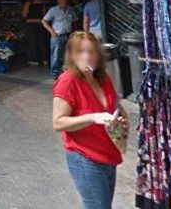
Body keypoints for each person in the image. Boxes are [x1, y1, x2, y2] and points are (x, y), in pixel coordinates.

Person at [52, 31, 127, 209]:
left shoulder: (102, 78)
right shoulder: (68, 81)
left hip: (108, 153)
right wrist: (93, 117)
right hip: (85, 158)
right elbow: (58, 122)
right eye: (80, 51)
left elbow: (114, 104)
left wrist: (121, 116)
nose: (87, 56)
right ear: (71, 54)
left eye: (91, 51)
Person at [42, 0, 77, 79]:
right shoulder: (53, 10)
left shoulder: (71, 9)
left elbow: (75, 21)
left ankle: (67, 72)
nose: (63, 1)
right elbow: (44, 21)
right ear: (58, 1)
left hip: (69, 35)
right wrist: (51, 32)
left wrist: (74, 32)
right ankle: (55, 74)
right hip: (58, 36)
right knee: (56, 55)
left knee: (68, 54)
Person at [21, 0, 47, 66]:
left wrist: (27, 20)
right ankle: (44, 59)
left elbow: (23, 16)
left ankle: (34, 59)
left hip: (31, 26)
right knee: (41, 42)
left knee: (32, 42)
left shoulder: (28, 3)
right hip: (40, 25)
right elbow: (44, 16)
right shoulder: (42, 3)